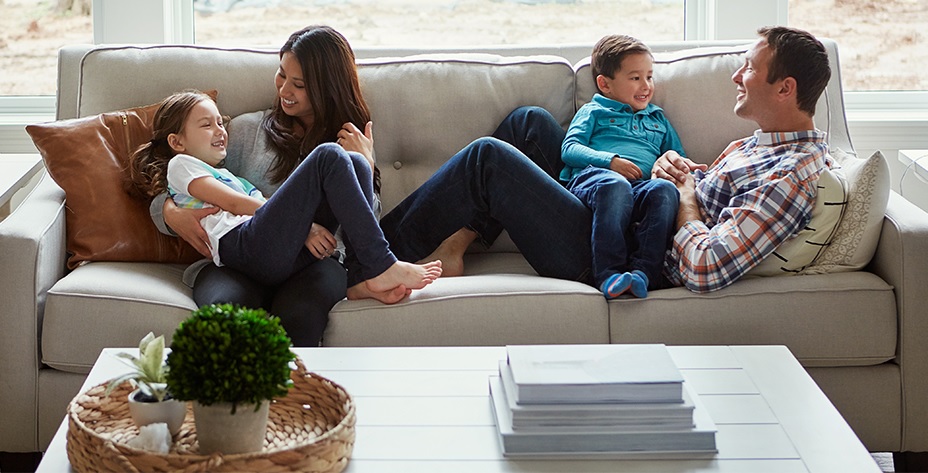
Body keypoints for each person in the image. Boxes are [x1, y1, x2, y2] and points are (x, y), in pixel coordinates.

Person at [149, 26, 423, 346]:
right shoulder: (246, 131)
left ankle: (298, 395)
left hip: (313, 265)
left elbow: (360, 227)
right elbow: (180, 174)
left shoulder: (349, 144)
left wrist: (368, 164)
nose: (284, 90)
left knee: (302, 315)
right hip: (243, 259)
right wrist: (169, 213)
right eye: (281, 76)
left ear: (328, 88)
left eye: (300, 84)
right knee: (224, 312)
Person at [132, 90, 441, 310]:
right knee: (329, 155)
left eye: (220, 123)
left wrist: (367, 166)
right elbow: (238, 205)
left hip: (279, 250)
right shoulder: (184, 165)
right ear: (177, 142)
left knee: (356, 163)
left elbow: (268, 207)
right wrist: (169, 211)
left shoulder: (230, 176)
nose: (221, 131)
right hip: (242, 247)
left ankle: (365, 275)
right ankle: (382, 263)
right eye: (207, 124)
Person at [652, 26, 834, 293]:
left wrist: (685, 198)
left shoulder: (790, 176)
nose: (736, 77)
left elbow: (705, 268)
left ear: (785, 88)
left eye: (749, 68)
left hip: (635, 258)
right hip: (628, 221)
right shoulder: (758, 145)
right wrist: (670, 167)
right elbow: (701, 196)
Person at [560, 34, 684, 299]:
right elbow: (569, 149)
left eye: (649, 77)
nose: (646, 86)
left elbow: (676, 156)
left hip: (640, 188)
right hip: (594, 183)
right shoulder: (594, 111)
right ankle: (608, 274)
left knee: (664, 190)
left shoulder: (657, 118)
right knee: (615, 185)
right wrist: (610, 162)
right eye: (635, 78)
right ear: (605, 84)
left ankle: (643, 274)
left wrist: (685, 167)